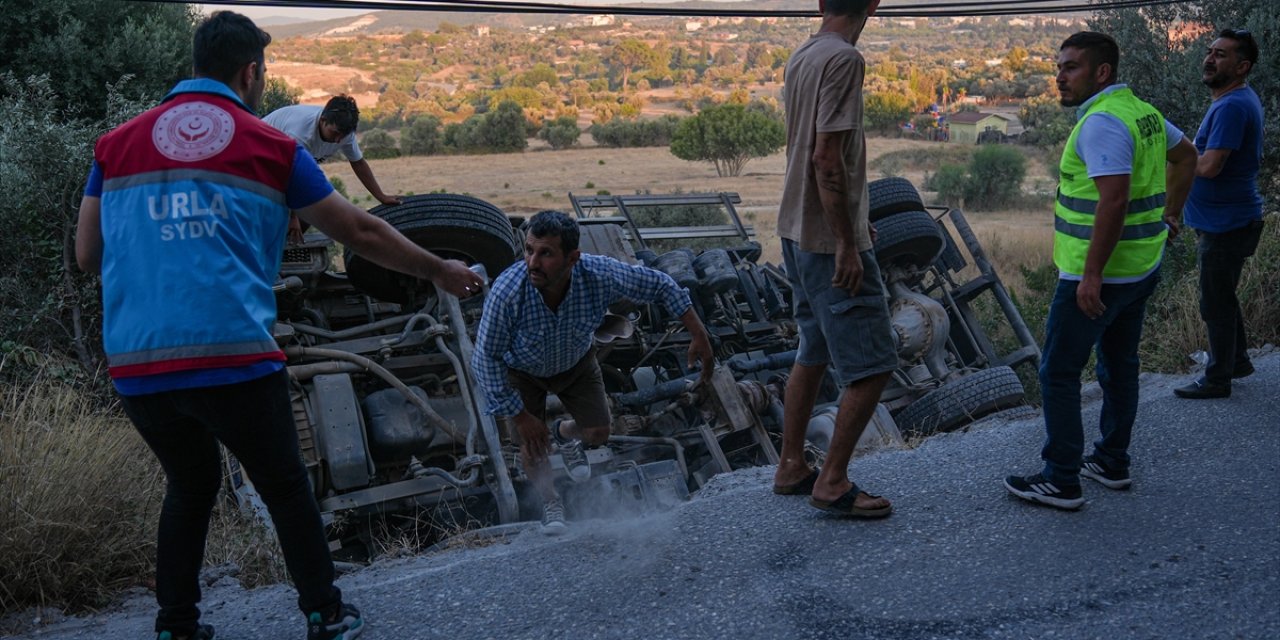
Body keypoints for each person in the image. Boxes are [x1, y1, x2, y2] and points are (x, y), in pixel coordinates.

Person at [75, 12, 484, 640]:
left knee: (189, 485)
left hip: (137, 364)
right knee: (286, 485)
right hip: (231, 353)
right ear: (250, 71)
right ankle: (323, 613)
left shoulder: (116, 144)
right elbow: (358, 231)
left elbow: (89, 255)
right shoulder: (271, 147)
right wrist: (439, 269)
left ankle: (175, 626)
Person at [1005, 32, 1197, 510]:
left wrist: (1090, 276)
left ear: (1102, 72)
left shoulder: (1101, 123)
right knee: (1120, 364)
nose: (1059, 76)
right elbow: (1187, 154)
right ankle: (1112, 461)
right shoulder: (1143, 112)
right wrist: (1172, 214)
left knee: (1059, 374)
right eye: (1059, 66)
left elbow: (1113, 199)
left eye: (1070, 67)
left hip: (1099, 278)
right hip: (1141, 268)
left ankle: (1062, 478)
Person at [471, 210, 714, 534]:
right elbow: (484, 358)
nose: (532, 262)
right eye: (529, 250)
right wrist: (521, 417)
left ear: (573, 258)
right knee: (533, 445)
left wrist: (700, 334)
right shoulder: (508, 292)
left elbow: (660, 285)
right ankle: (551, 503)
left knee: (599, 433)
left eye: (546, 254)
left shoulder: (598, 273)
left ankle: (563, 434)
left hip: (576, 362)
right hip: (523, 370)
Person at [770, 0, 896, 519]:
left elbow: (806, 153)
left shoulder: (803, 54)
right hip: (826, 244)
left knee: (813, 349)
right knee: (873, 366)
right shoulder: (845, 59)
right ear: (873, 4)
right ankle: (833, 480)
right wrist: (846, 242)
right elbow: (826, 157)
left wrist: (849, 216)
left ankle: (791, 465)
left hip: (796, 231)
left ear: (822, 3)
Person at [1174, 28, 1266, 400]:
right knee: (1222, 296)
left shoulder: (1231, 106)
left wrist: (1177, 155)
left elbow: (1210, 166)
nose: (1210, 59)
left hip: (1227, 224)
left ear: (1242, 66)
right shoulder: (1232, 99)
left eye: (1222, 55)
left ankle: (1217, 379)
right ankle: (1237, 360)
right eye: (1210, 52)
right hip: (1228, 220)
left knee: (1214, 302)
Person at [264, 95, 401, 242]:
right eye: (334, 133)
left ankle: (283, 250)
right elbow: (290, 176)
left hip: (285, 167)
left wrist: (381, 196)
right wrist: (292, 218)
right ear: (322, 120)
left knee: (313, 210)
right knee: (277, 214)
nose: (337, 140)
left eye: (342, 136)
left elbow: (358, 163)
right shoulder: (300, 133)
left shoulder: (343, 132)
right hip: (259, 158)